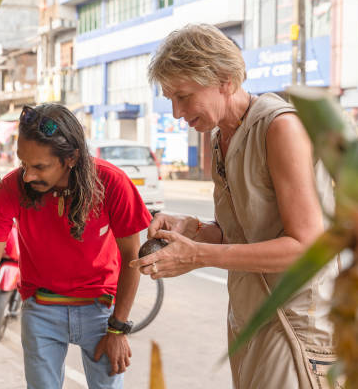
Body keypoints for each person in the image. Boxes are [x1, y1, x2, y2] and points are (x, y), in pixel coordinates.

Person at [130, 24, 339, 389]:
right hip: (250, 314)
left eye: (183, 96)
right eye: (170, 100)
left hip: (294, 324)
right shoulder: (220, 136)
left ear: (225, 80)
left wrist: (199, 256)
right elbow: (243, 233)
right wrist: (192, 229)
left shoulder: (279, 127)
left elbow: (307, 247)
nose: (177, 112)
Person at [0, 103, 151, 389]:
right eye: (23, 163)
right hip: (41, 310)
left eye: (39, 166)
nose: (27, 175)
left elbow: (133, 257)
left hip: (102, 312)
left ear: (71, 158)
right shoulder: (11, 188)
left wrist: (119, 328)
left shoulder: (112, 183)